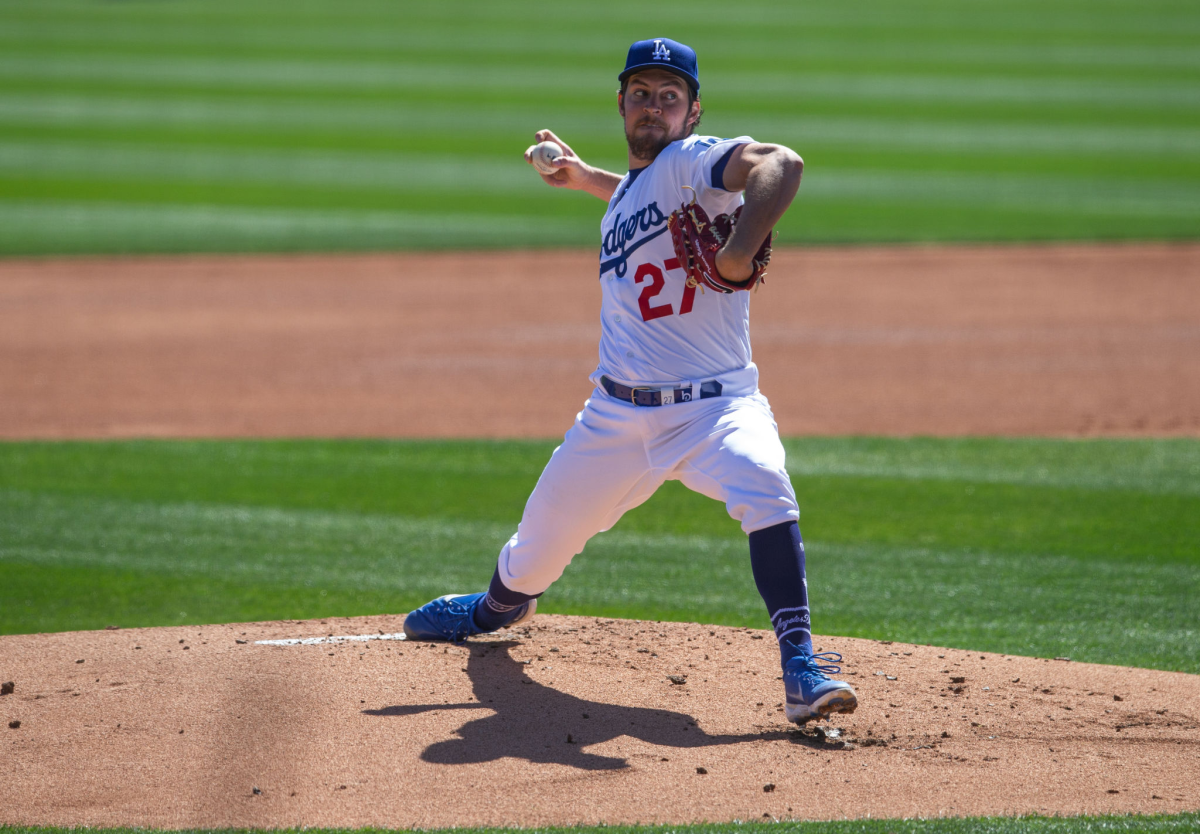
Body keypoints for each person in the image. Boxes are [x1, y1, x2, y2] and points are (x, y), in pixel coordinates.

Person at [404, 37, 857, 723]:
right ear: (621, 104)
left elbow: (781, 165)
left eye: (669, 97)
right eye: (641, 94)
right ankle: (493, 610)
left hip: (717, 411)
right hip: (612, 421)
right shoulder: (638, 193)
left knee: (766, 484)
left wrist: (736, 255)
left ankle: (799, 662)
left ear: (693, 113)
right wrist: (586, 177)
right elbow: (636, 196)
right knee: (529, 559)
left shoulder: (691, 161)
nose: (653, 106)